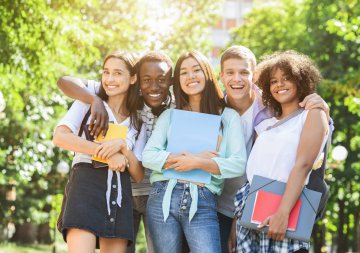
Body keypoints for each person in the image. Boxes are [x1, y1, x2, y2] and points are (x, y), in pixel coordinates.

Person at [56, 51, 174, 253]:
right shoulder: (89, 99)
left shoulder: (137, 120)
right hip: (85, 188)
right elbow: (60, 137)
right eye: (106, 72)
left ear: (133, 78)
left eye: (118, 73)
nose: (110, 79)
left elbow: (137, 174)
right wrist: (107, 153)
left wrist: (123, 148)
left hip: (120, 194)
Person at [217, 45, 331, 253]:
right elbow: (253, 176)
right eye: (274, 81)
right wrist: (237, 218)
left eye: (286, 78)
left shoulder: (312, 114)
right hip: (249, 213)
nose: (280, 85)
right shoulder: (266, 124)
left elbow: (303, 166)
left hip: (285, 211)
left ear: (300, 79)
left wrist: (283, 213)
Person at [142, 50, 247, 253]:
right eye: (183, 72)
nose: (190, 76)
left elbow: (237, 164)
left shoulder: (228, 117)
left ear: (207, 73)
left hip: (202, 199)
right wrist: (188, 159)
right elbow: (148, 156)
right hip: (162, 195)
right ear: (177, 80)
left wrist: (197, 163)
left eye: (196, 70)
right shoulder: (170, 115)